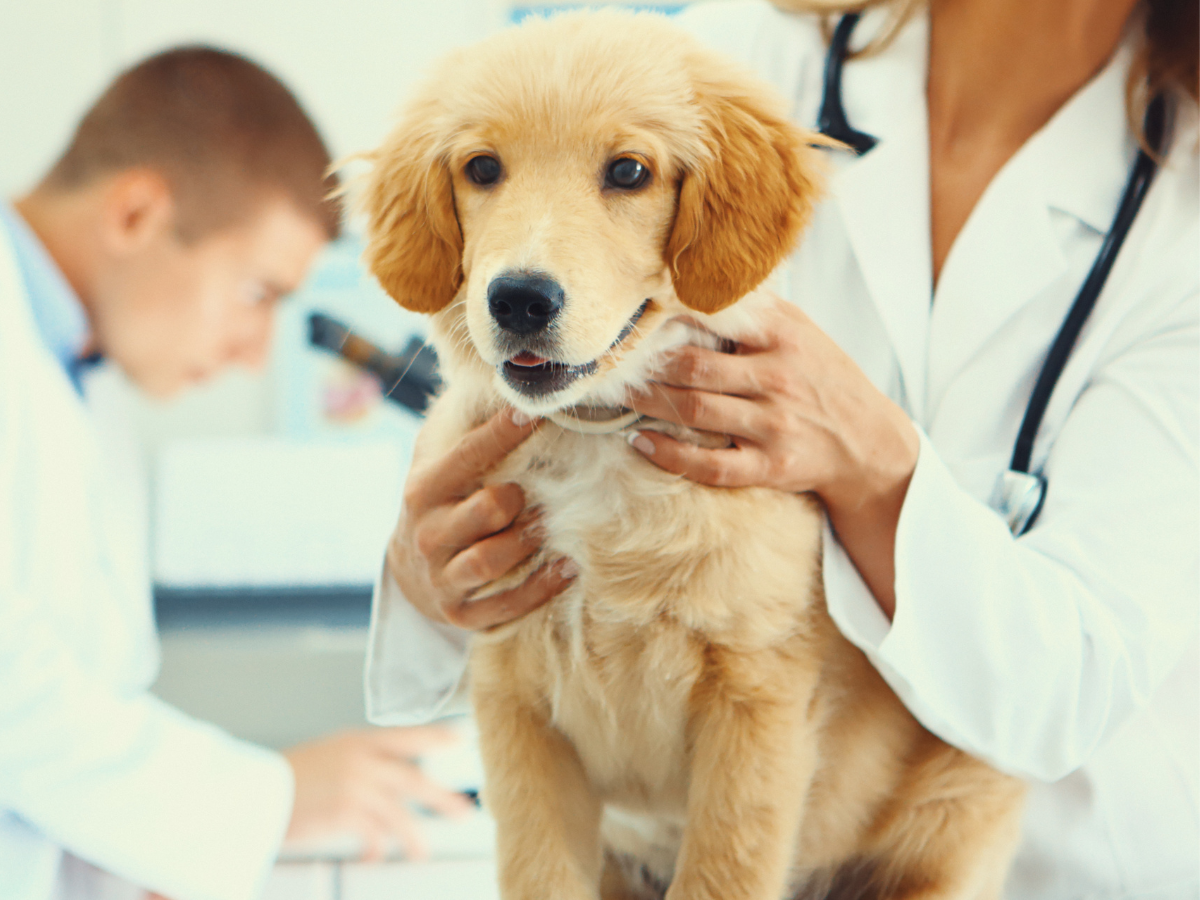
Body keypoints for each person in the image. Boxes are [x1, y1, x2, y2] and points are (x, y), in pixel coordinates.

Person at [365, 0, 1199, 896]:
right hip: (646, 850)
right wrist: (430, 571)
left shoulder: (1180, 215)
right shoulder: (725, 55)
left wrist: (875, 465)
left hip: (1045, 860)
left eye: (626, 174)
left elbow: (1069, 682)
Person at [0, 47, 472, 900]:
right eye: (257, 294)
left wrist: (153, 851)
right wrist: (274, 800)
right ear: (137, 213)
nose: (256, 355)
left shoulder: (80, 376)